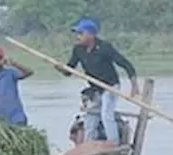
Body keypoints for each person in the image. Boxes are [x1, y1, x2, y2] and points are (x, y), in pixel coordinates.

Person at [57, 18, 138, 146]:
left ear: (91, 35)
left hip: (110, 86)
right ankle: (88, 145)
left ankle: (113, 143)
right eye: (77, 34)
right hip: (95, 88)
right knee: (91, 116)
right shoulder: (78, 50)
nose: (78, 37)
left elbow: (125, 64)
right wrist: (61, 68)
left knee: (106, 113)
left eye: (81, 33)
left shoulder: (104, 48)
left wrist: (134, 86)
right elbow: (69, 71)